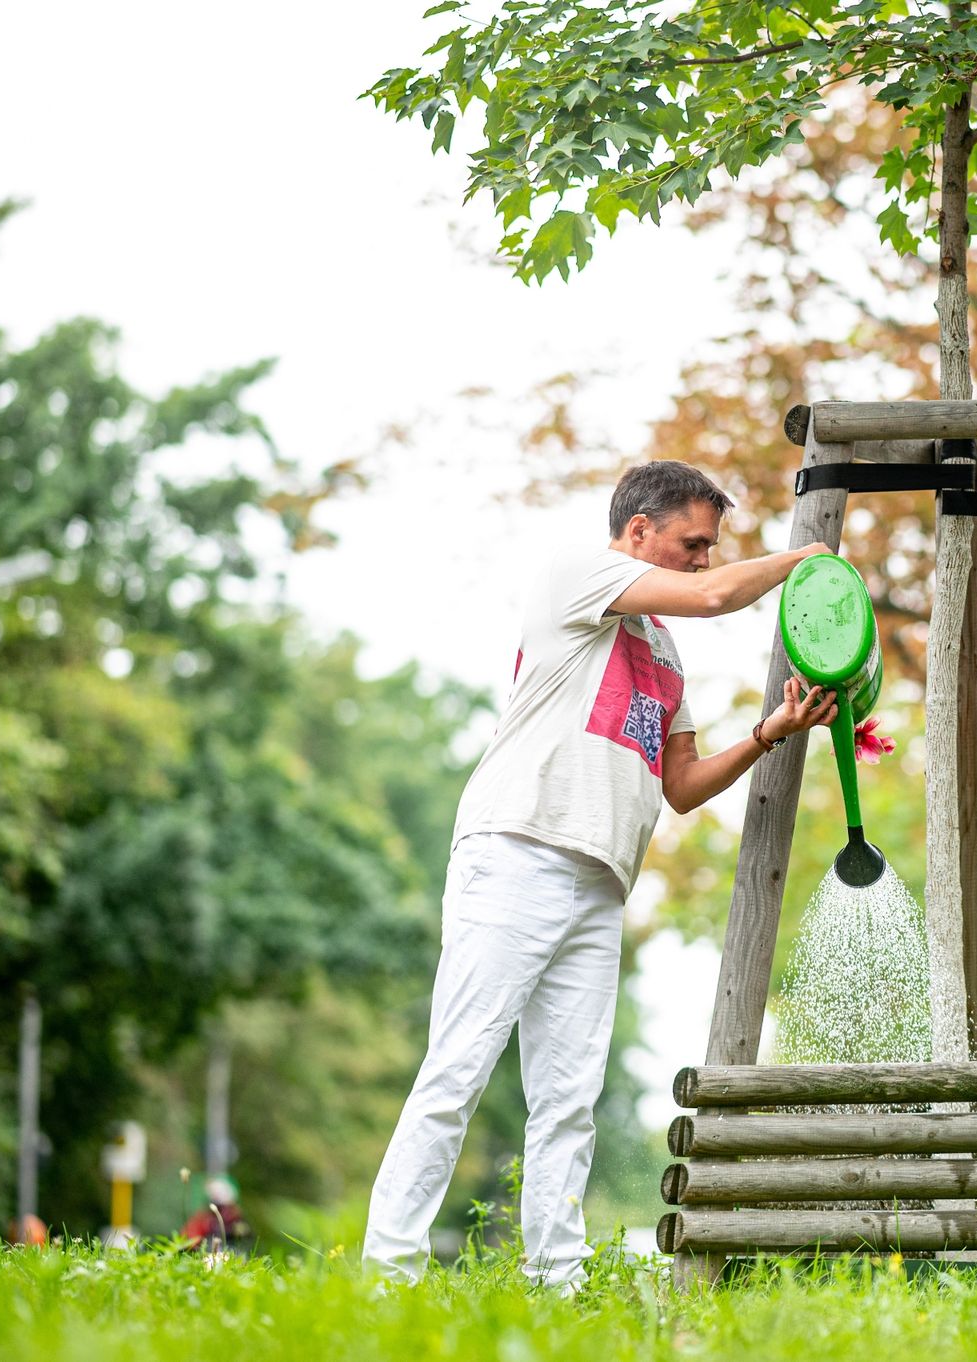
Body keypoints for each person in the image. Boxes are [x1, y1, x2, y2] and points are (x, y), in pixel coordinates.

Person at [363, 461, 838, 1288]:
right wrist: (806, 561)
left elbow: (682, 786)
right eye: (692, 543)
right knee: (459, 1068)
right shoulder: (576, 573)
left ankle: (558, 1281)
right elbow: (721, 595)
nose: (701, 559)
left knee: (569, 1099)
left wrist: (771, 732)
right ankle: (387, 1276)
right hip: (518, 847)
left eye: (709, 548)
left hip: (598, 882)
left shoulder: (663, 650)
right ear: (639, 529)